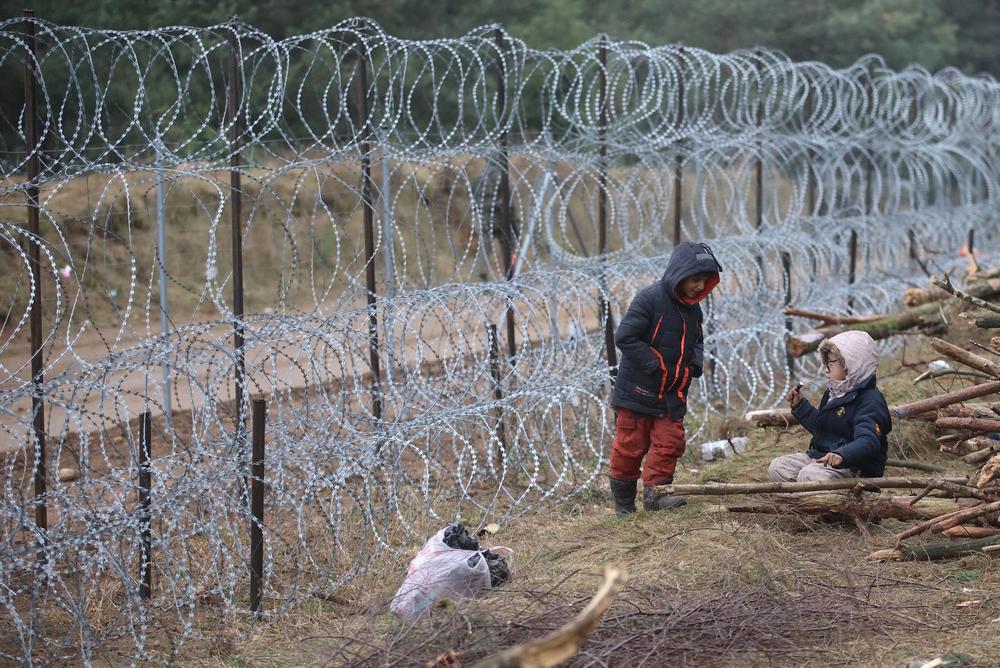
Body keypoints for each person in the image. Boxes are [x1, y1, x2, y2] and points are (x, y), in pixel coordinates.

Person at [608, 241, 722, 514]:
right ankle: (624, 504)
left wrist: (694, 366)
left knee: (669, 444)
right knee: (629, 448)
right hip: (637, 391)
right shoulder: (650, 299)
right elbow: (624, 337)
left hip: (672, 393)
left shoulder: (694, 310)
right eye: (695, 279)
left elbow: (697, 342)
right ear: (680, 273)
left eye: (704, 281)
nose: (699, 286)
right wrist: (654, 365)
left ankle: (657, 495)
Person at [768, 330, 891, 483]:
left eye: (831, 363)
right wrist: (800, 407)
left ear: (852, 364)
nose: (826, 369)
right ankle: (803, 503)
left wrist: (842, 455)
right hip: (822, 456)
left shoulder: (870, 401)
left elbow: (868, 441)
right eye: (825, 363)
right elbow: (824, 430)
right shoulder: (834, 392)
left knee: (810, 476)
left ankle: (817, 502)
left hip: (854, 466)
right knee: (778, 467)